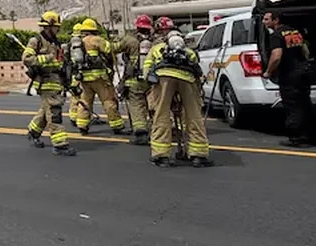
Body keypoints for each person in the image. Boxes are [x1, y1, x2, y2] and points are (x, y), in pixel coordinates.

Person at [144, 30, 212, 167]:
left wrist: (150, 85)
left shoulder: (156, 49)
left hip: (163, 78)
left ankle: (161, 155)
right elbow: (197, 73)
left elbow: (147, 70)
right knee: (193, 115)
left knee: (161, 115)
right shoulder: (189, 52)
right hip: (187, 79)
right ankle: (198, 155)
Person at [262, 11, 316, 147]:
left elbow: (277, 56)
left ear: (276, 20)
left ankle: (296, 137)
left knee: (292, 106)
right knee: (305, 104)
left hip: (290, 75)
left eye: (266, 19)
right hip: (303, 72)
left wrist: (268, 71)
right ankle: (314, 136)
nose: (264, 22)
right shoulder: (294, 32)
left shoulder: (276, 35)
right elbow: (305, 50)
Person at [23, 10, 76, 156]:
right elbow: (26, 58)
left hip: (56, 82)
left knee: (46, 109)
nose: (58, 29)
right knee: (54, 113)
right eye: (56, 27)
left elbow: (59, 62)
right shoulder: (36, 41)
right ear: (49, 26)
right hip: (44, 82)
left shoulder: (56, 43)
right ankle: (60, 144)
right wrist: (47, 58)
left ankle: (33, 131)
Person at [70, 18, 123, 135]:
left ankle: (82, 125)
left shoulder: (78, 42)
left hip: (84, 78)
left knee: (85, 101)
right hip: (98, 77)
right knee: (108, 100)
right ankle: (117, 125)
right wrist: (119, 43)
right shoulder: (96, 39)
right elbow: (110, 49)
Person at [118, 15, 155, 145]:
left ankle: (141, 133)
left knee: (137, 106)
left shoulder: (129, 40)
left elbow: (114, 48)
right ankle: (158, 130)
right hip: (152, 80)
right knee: (153, 105)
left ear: (137, 26)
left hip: (134, 80)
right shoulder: (155, 41)